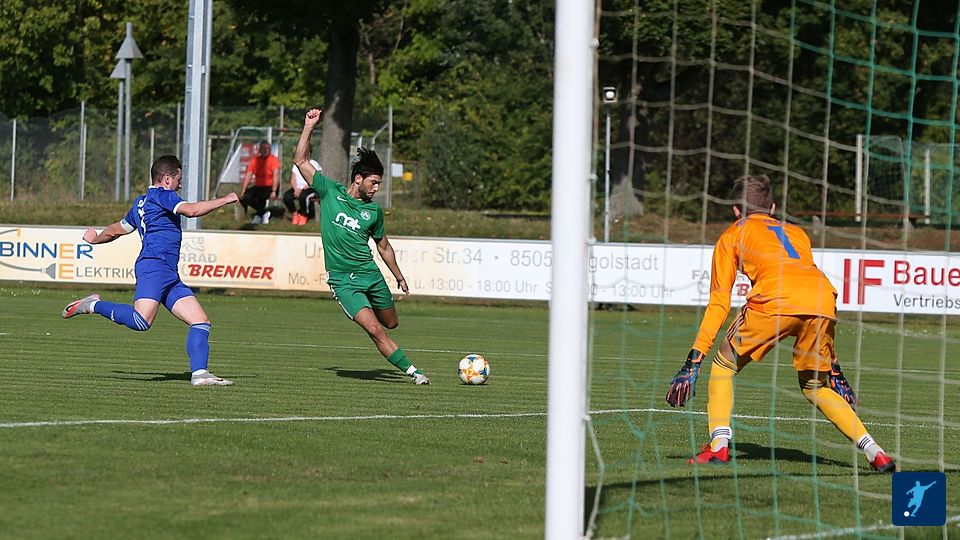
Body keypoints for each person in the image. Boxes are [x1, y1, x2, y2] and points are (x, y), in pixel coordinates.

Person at [665, 174, 894, 472]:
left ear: (736, 210)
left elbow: (719, 302)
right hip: (823, 298)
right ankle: (876, 452)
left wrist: (693, 360)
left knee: (723, 366)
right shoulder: (797, 233)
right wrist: (833, 366)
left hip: (774, 300)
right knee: (815, 386)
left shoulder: (732, 235)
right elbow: (805, 290)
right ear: (772, 207)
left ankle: (719, 446)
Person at [61, 155, 239, 386]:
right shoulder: (163, 196)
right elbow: (192, 211)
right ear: (167, 179)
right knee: (141, 321)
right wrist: (225, 199)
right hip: (154, 266)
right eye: (179, 179)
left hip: (168, 273)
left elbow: (117, 229)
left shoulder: (142, 202)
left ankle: (200, 374)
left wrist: (95, 239)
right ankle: (93, 305)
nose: (180, 185)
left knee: (200, 321)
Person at [294, 108, 429, 385]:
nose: (377, 188)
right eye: (373, 182)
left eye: (379, 183)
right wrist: (309, 127)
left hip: (370, 274)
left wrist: (399, 276)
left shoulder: (373, 212)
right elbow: (301, 160)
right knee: (375, 329)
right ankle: (414, 373)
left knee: (391, 323)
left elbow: (384, 247)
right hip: (343, 281)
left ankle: (376, 312)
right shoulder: (330, 191)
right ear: (358, 179)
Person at [239, 140, 281, 224]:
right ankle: (263, 213)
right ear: (259, 150)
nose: (265, 150)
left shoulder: (274, 160)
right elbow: (249, 175)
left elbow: (276, 175)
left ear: (270, 150)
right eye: (263, 149)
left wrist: (274, 191)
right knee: (246, 197)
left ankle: (259, 215)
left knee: (261, 196)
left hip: (271, 186)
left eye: (267, 148)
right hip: (259, 186)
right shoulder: (255, 160)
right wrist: (243, 190)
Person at [283, 158, 321, 226]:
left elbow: (317, 180)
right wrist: (296, 189)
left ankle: (304, 215)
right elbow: (293, 179)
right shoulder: (296, 164)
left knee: (303, 197)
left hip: (310, 188)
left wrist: (305, 187)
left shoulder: (315, 164)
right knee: (287, 197)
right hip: (297, 188)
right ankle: (295, 214)